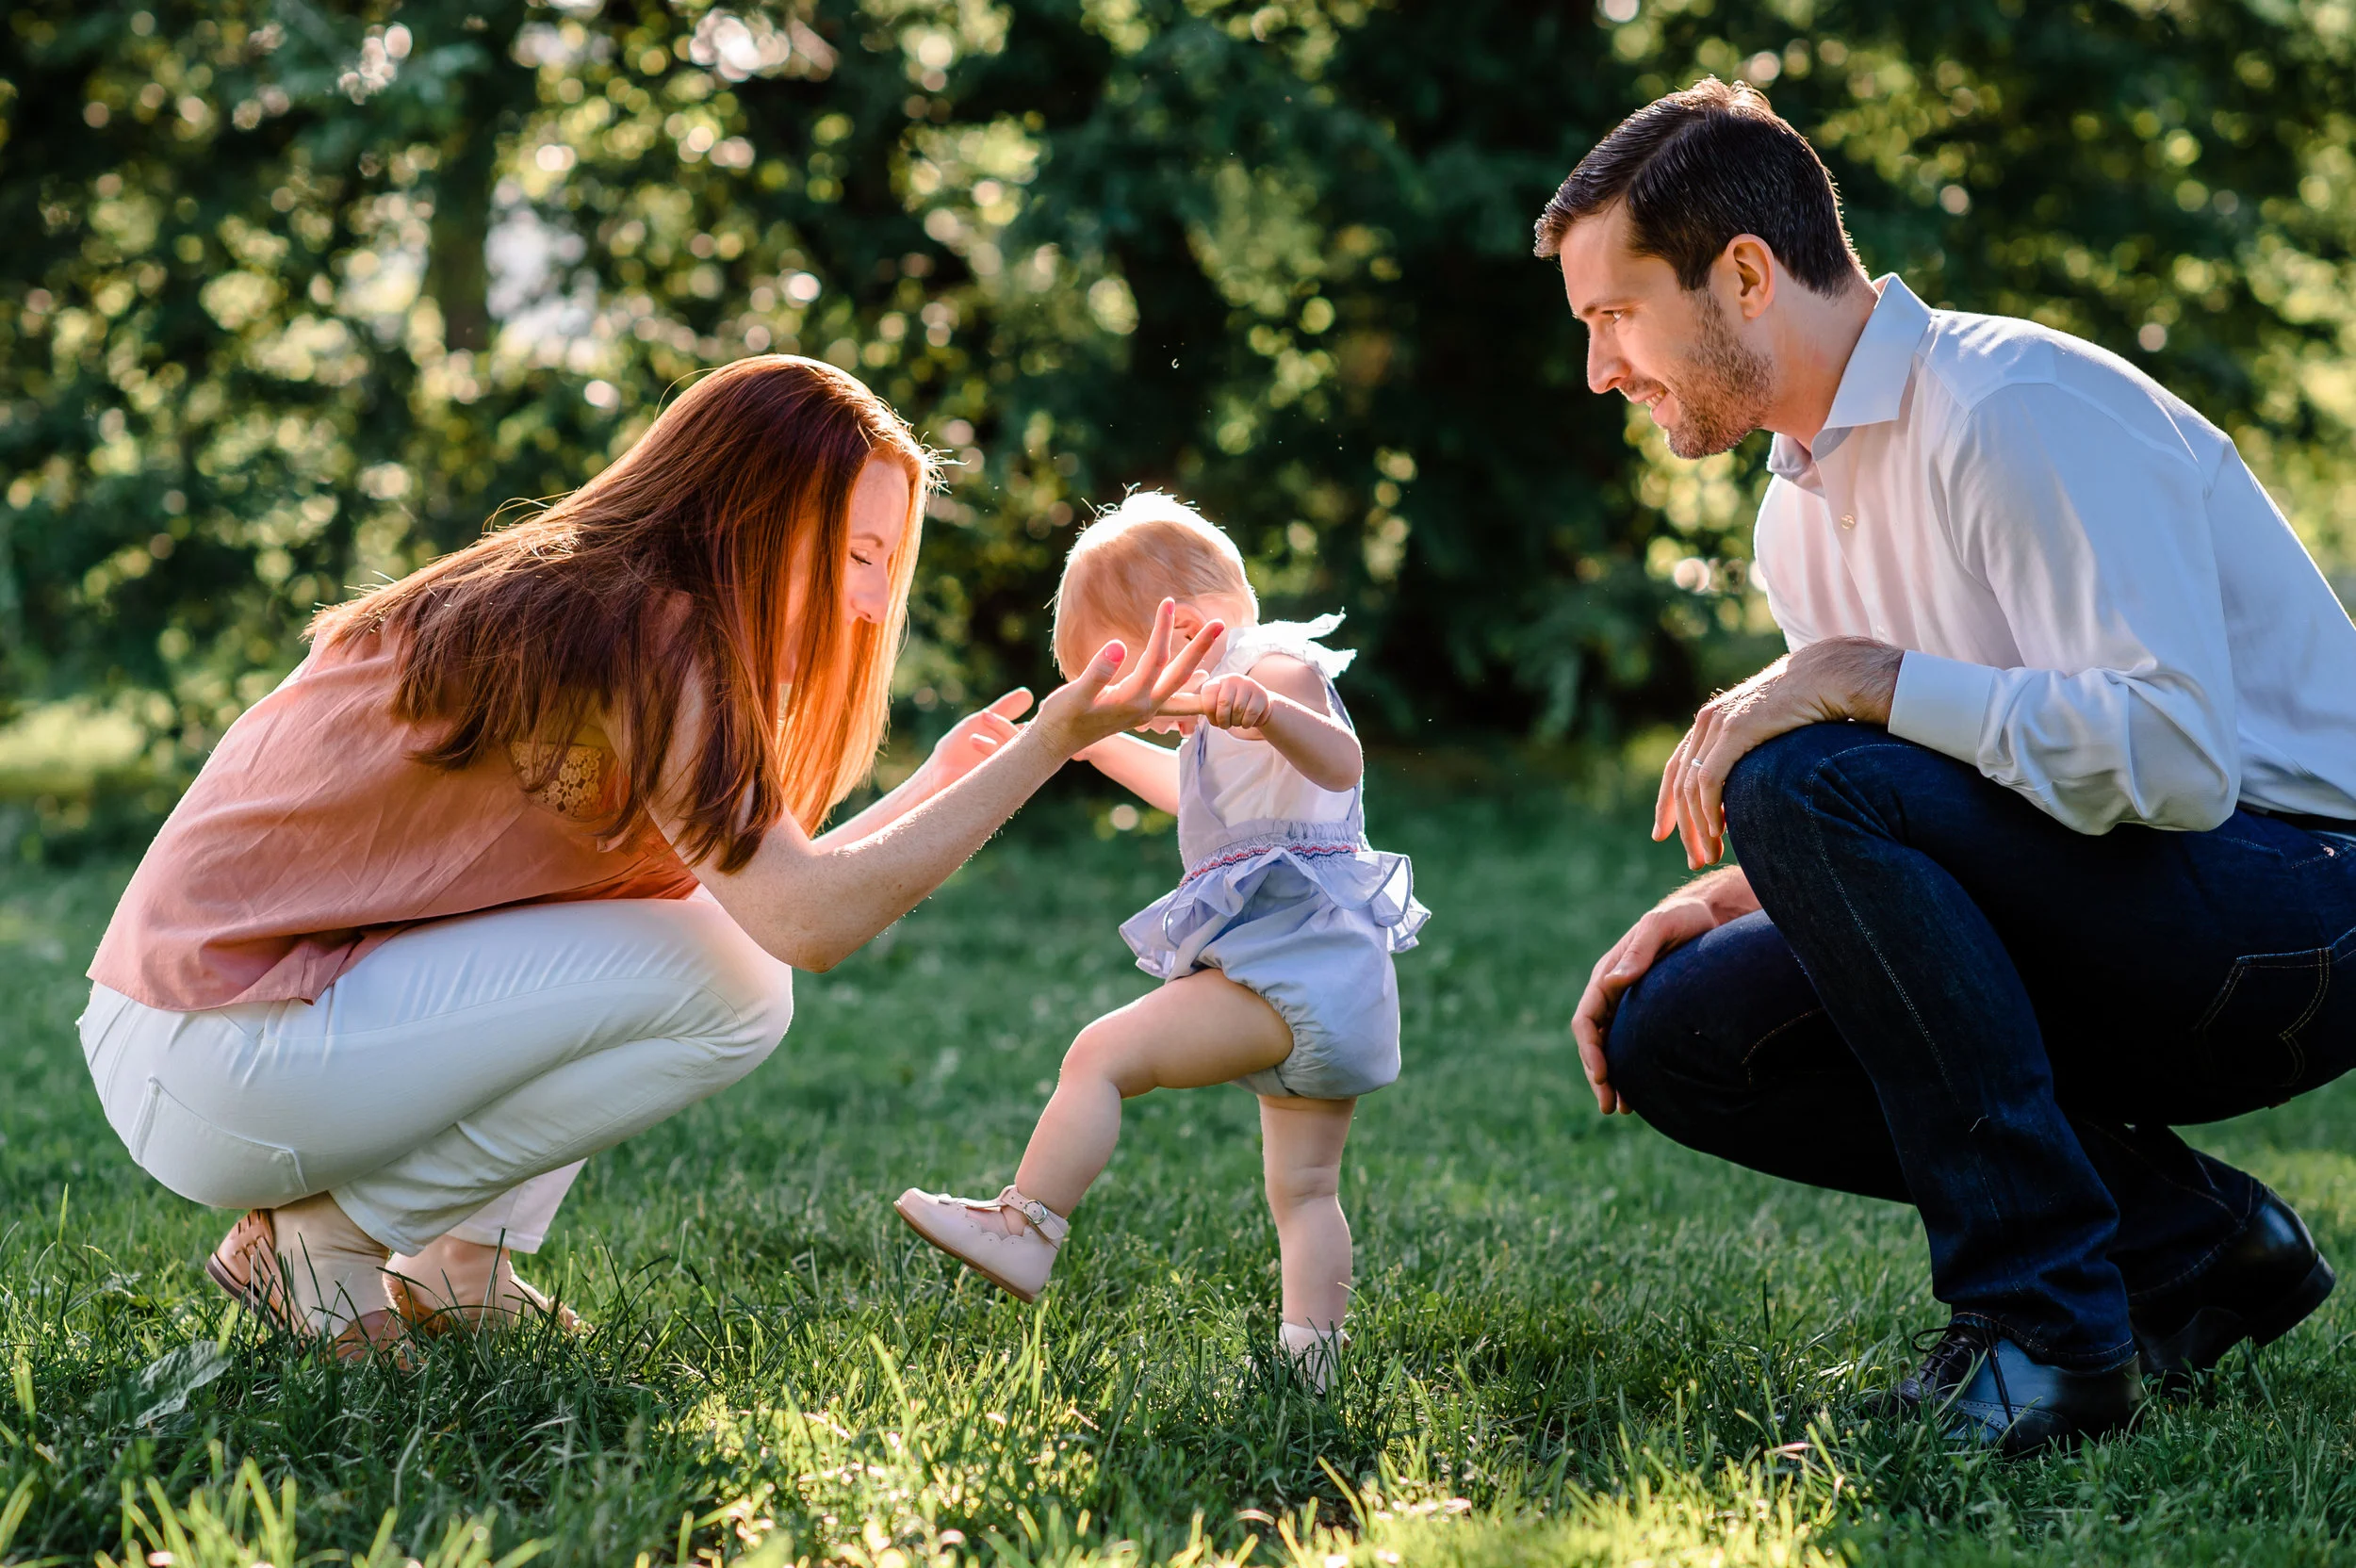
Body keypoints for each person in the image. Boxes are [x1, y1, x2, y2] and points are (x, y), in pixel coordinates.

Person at [77, 356, 1223, 1357]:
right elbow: (799, 924)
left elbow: (747, 888)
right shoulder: (641, 630)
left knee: (695, 944)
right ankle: (328, 1247)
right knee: (733, 988)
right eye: (860, 552)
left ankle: (457, 1262)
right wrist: (1055, 741)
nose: (876, 602)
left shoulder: (621, 608)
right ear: (757, 514)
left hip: (223, 1037)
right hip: (217, 1042)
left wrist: (938, 783)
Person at [1539, 81, 2356, 1452]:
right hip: (2132, 900)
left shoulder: (2015, 407)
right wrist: (1736, 898)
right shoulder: (1796, 518)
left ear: (1744, 276)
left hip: (2297, 920)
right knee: (1677, 1031)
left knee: (1796, 773)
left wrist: (1861, 686)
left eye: (1614, 315)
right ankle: (2196, 1250)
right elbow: (1937, 817)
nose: (1600, 368)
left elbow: (2179, 761)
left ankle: (2048, 1338)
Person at [893, 494, 1427, 1387]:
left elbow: (1342, 761)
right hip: (1330, 987)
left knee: (1100, 1054)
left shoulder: (1275, 669)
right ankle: (1314, 1362)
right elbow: (1199, 804)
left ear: (1185, 627)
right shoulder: (1218, 718)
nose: (1139, 709)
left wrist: (1265, 711)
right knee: (1304, 1192)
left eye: (1130, 673)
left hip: (1289, 980)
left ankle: (1026, 1228)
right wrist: (1092, 749)